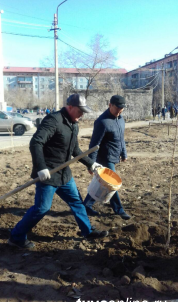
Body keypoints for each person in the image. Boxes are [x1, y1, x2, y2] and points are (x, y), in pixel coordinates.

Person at [8, 94, 108, 249]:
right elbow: (36, 142)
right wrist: (41, 167)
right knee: (42, 208)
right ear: (70, 107)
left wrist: (91, 164)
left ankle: (87, 231)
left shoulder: (74, 124)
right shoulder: (53, 120)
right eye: (80, 111)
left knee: (77, 202)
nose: (82, 115)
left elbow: (75, 150)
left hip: (64, 175)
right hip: (48, 174)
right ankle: (16, 237)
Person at [83, 95, 131, 220]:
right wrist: (90, 163)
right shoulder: (102, 122)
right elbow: (94, 144)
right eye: (117, 108)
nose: (119, 111)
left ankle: (86, 205)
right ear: (110, 105)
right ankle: (119, 210)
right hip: (104, 158)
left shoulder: (120, 119)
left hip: (114, 155)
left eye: (122, 109)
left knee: (102, 184)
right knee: (112, 184)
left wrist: (123, 153)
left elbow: (121, 139)